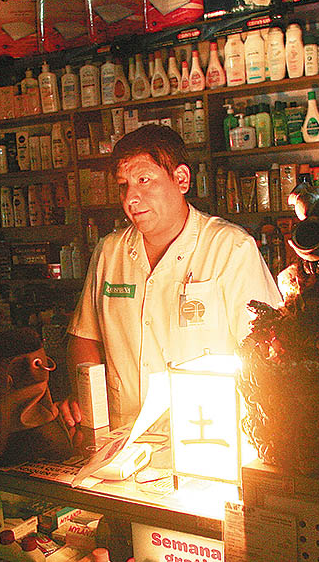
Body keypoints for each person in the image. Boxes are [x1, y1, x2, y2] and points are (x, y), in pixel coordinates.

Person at [65, 125, 283, 428]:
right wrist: (89, 404)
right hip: (123, 436)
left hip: (208, 435)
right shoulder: (109, 252)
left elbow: (268, 350)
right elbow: (84, 337)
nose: (131, 198)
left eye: (144, 180)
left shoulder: (230, 248)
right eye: (123, 185)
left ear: (181, 179)